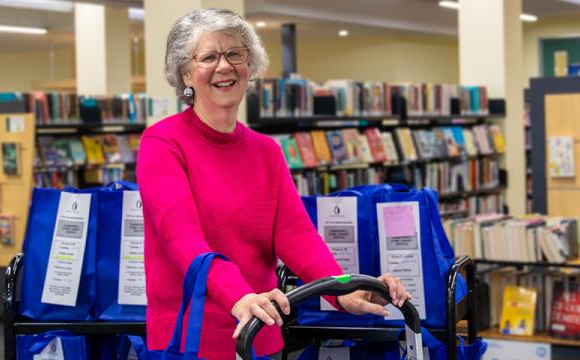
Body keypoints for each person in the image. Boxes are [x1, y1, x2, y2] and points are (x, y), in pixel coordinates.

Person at [136, 8, 411, 359]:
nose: (224, 66)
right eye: (208, 57)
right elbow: (182, 239)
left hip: (258, 334)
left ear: (249, 66)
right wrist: (238, 295)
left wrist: (341, 290)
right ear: (186, 72)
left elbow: (296, 235)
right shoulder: (162, 144)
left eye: (235, 53)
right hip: (189, 339)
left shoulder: (266, 150)